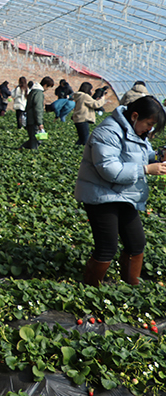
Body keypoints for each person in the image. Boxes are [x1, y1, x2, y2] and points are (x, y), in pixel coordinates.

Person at [75, 96, 166, 286]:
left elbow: (141, 155)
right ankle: (90, 289)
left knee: (136, 243)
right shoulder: (108, 131)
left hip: (124, 195)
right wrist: (145, 169)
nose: (150, 129)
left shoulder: (136, 131)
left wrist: (158, 156)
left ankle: (131, 287)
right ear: (135, 116)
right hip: (101, 195)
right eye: (149, 124)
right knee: (107, 247)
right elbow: (109, 169)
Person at [20, 76, 54, 151]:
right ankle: (32, 152)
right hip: (33, 120)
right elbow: (38, 109)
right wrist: (40, 123)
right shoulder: (39, 93)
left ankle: (21, 148)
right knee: (35, 140)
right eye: (48, 87)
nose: (47, 89)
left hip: (30, 118)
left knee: (33, 138)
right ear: (45, 85)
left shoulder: (33, 91)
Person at [72, 82, 107, 146]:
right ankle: (82, 150)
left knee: (81, 138)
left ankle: (76, 148)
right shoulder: (85, 96)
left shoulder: (79, 95)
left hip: (78, 118)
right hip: (83, 119)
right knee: (85, 139)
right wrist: (103, 98)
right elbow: (96, 104)